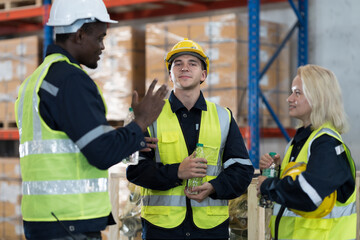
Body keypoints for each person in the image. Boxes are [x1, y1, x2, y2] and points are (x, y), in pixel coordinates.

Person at [14, 0, 168, 239]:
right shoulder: (70, 81)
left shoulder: (36, 81)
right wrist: (141, 121)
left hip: (43, 220)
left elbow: (79, 141)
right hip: (70, 223)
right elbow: (101, 152)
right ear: (79, 34)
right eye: (99, 38)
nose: (103, 47)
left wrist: (132, 138)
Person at [126, 38, 254, 240]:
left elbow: (242, 170)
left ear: (203, 74)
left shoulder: (224, 117)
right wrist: (176, 172)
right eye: (178, 63)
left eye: (192, 63)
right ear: (170, 74)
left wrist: (214, 187)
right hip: (161, 229)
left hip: (210, 230)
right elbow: (135, 170)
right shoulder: (150, 116)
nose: (184, 68)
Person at [257, 64, 357, 240]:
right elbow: (302, 182)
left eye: (297, 93)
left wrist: (268, 185)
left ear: (318, 98)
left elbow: (308, 194)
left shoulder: (327, 144)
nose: (289, 98)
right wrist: (277, 172)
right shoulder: (300, 142)